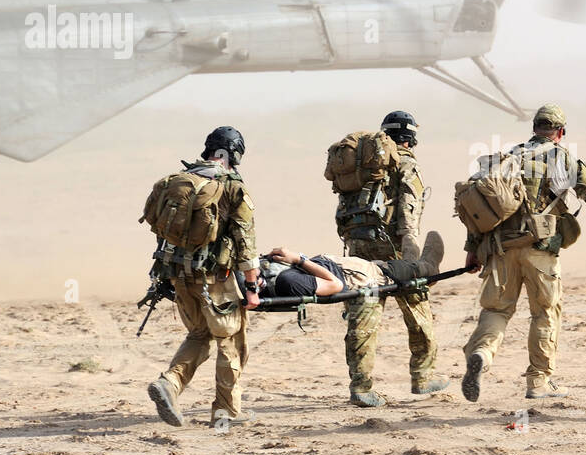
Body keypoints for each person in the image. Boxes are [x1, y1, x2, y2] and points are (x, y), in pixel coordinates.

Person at [461, 103, 586, 402]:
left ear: (535, 129)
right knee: (544, 313)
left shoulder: (506, 158)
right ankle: (538, 381)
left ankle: (482, 355)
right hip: (540, 252)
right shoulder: (562, 158)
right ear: (560, 133)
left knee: (496, 310)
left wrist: (473, 249)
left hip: (500, 250)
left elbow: (478, 209)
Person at [146, 126, 261, 428]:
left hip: (178, 275)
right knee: (230, 341)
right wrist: (251, 286)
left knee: (198, 335)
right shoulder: (232, 186)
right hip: (215, 279)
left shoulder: (178, 182)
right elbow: (245, 242)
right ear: (234, 154)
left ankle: (169, 383)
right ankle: (226, 412)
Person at [333, 110, 448, 405]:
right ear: (410, 140)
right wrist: (413, 257)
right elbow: (409, 212)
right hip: (394, 248)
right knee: (418, 311)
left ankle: (361, 387)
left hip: (357, 247)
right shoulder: (405, 164)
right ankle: (422, 377)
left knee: (363, 316)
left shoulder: (365, 164)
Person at [265, 233, 445, 406]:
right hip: (369, 277)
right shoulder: (288, 281)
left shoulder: (269, 275)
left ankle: (362, 388)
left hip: (362, 271)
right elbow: (335, 283)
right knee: (424, 271)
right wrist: (300, 259)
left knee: (362, 330)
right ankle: (419, 378)